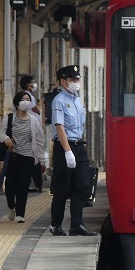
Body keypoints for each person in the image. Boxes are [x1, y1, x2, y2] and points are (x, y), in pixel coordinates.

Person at [49, 64, 97, 236]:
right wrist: (67, 151)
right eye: (73, 79)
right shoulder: (59, 101)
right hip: (65, 147)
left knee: (82, 185)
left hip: (79, 145)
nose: (76, 82)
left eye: (77, 79)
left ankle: (77, 224)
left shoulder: (77, 99)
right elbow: (60, 127)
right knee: (62, 187)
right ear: (63, 81)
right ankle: (56, 224)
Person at [0, 91, 47, 223]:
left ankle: (21, 213)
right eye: (23, 99)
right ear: (16, 102)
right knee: (9, 186)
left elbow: (39, 140)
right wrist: (7, 139)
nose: (25, 102)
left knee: (23, 185)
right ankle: (11, 206)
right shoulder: (8, 118)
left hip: (28, 156)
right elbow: (1, 134)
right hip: (13, 156)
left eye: (27, 99)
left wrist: (41, 160)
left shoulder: (34, 121)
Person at [19, 74, 44, 192]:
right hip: (31, 131)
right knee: (33, 157)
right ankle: (33, 183)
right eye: (33, 82)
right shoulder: (28, 96)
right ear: (28, 85)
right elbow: (34, 109)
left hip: (31, 129)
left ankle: (33, 183)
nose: (34, 85)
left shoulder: (28, 96)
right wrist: (37, 110)